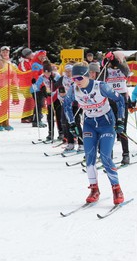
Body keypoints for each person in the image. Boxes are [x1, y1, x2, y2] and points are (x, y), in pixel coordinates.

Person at [63, 62, 125, 205]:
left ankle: (116, 189)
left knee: (105, 157)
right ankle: (94, 189)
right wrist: (72, 124)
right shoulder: (74, 89)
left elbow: (120, 99)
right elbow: (66, 105)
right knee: (89, 158)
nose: (76, 82)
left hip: (106, 124)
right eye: (74, 79)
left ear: (87, 76)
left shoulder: (100, 86)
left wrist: (120, 120)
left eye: (79, 78)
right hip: (90, 125)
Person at [103, 51, 131, 165]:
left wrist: (117, 62)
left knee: (122, 127)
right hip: (110, 99)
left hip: (122, 99)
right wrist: (106, 62)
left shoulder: (123, 67)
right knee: (110, 127)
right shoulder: (107, 69)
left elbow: (127, 72)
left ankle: (126, 155)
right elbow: (102, 77)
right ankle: (109, 155)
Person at [56, 63, 83, 152]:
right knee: (66, 123)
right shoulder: (62, 79)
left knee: (76, 123)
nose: (68, 73)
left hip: (75, 104)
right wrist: (61, 95)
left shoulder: (77, 79)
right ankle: (70, 142)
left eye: (70, 71)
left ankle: (81, 143)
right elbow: (57, 88)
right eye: (66, 71)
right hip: (66, 104)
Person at [33, 61, 62, 141]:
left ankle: (61, 132)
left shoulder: (56, 75)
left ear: (51, 71)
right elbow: (37, 86)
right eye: (45, 72)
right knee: (50, 116)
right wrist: (36, 86)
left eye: (48, 72)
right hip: (49, 97)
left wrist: (55, 83)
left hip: (57, 97)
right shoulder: (42, 76)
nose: (47, 74)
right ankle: (50, 133)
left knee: (59, 115)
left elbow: (61, 85)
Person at [0, 46, 17, 131]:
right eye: (3, 52)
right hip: (1, 86)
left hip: (8, 86)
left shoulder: (8, 61)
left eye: (6, 52)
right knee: (4, 104)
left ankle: (5, 123)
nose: (5, 53)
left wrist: (13, 77)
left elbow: (12, 73)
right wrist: (5, 76)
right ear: (1, 52)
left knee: (6, 105)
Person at [30, 50, 48, 128]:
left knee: (40, 104)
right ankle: (35, 121)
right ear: (38, 56)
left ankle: (38, 120)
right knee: (38, 104)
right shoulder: (36, 65)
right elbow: (36, 76)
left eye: (44, 56)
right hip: (36, 87)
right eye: (41, 56)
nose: (43, 57)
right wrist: (42, 85)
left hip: (41, 87)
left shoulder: (42, 64)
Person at [18, 47, 34, 123]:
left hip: (30, 83)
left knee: (32, 100)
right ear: (26, 55)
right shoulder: (23, 63)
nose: (32, 54)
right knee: (28, 100)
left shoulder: (30, 61)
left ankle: (30, 116)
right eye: (30, 53)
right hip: (24, 85)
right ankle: (24, 117)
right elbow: (24, 73)